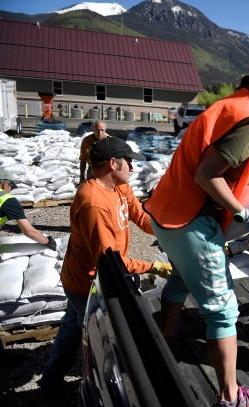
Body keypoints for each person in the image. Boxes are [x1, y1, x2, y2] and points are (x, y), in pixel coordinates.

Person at [143, 50, 249, 407]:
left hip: (167, 215)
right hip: (190, 220)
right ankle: (230, 399)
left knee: (181, 279)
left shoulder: (231, 104)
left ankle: (166, 335)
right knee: (223, 310)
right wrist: (244, 215)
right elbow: (207, 175)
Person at [40, 137, 171, 391]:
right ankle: (102, 391)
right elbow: (109, 262)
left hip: (91, 277)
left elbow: (140, 216)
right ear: (113, 163)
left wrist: (172, 233)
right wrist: (153, 266)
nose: (133, 169)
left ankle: (50, 382)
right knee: (101, 339)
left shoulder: (119, 186)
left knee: (71, 329)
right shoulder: (94, 204)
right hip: (87, 284)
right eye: (129, 163)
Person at [0, 168, 57, 250]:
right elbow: (29, 232)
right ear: (5, 184)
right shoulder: (7, 200)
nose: (10, 191)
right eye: (12, 187)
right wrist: (48, 241)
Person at [79, 119, 109, 184]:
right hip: (92, 169)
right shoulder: (87, 141)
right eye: (98, 130)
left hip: (106, 171)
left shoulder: (110, 141)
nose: (100, 133)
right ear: (93, 129)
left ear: (105, 129)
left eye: (102, 130)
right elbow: (83, 159)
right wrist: (81, 176)